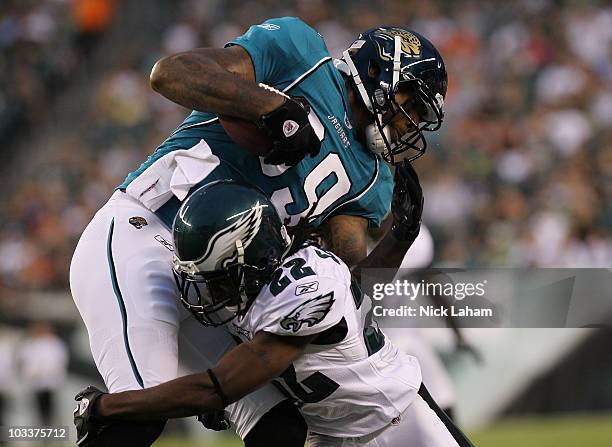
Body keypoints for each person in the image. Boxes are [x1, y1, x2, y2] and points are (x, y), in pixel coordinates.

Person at [70, 17, 446, 446]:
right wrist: (266, 106)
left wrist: (401, 235)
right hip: (147, 233)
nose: (409, 123)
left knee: (280, 429)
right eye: (410, 104)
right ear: (377, 72)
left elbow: (343, 292)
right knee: (135, 417)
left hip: (218, 291)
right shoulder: (302, 55)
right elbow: (170, 73)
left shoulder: (373, 177)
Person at [74, 180, 474, 447]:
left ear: (252, 259)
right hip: (331, 435)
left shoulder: (303, 289)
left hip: (395, 425)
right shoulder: (264, 289)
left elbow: (217, 386)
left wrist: (107, 406)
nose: (211, 288)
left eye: (220, 275)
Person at [18, 321, 69, 426]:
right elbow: (25, 362)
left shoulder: (55, 343)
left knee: (52, 409)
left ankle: (52, 433)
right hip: (36, 382)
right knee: (39, 410)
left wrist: (48, 372)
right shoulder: (30, 344)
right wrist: (32, 373)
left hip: (51, 382)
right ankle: (43, 433)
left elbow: (60, 361)